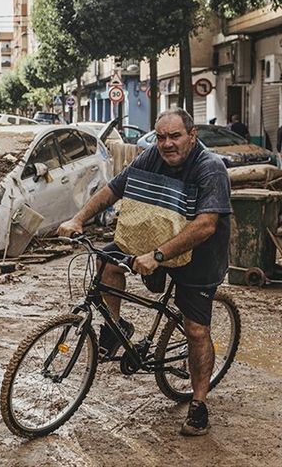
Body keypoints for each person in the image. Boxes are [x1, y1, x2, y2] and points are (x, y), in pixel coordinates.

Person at [58, 108, 231, 436]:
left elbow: (207, 224)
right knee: (108, 260)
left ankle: (198, 403)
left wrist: (159, 254)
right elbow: (112, 190)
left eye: (175, 136)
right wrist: (78, 219)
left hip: (200, 256)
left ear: (192, 136)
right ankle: (116, 325)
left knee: (196, 330)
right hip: (154, 239)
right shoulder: (150, 157)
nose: (167, 144)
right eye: (161, 136)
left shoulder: (211, 168)